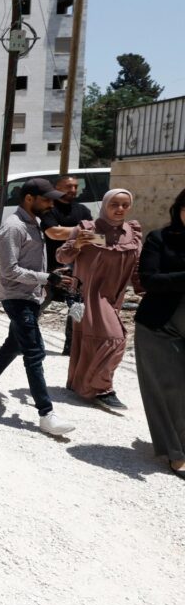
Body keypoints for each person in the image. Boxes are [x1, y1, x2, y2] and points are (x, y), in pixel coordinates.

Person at [0, 178, 77, 437]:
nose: (51, 204)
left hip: (31, 295)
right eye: (46, 199)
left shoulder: (34, 223)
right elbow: (9, 270)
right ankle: (46, 414)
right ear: (29, 199)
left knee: (15, 343)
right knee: (35, 351)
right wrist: (46, 278)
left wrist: (51, 275)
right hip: (17, 297)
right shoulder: (13, 227)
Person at [56, 189, 141, 411]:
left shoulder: (132, 233)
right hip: (89, 295)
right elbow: (61, 257)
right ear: (105, 205)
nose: (120, 209)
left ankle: (79, 383)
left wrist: (143, 291)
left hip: (114, 296)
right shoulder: (88, 230)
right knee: (115, 338)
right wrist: (76, 244)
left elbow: (137, 268)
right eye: (115, 204)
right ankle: (102, 388)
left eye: (125, 205)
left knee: (96, 337)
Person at [135, 189, 185, 480]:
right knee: (170, 390)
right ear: (179, 209)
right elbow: (149, 280)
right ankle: (176, 453)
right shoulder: (159, 239)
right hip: (159, 326)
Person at [42, 175, 93, 355]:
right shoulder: (49, 209)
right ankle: (17, 339)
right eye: (68, 186)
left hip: (77, 268)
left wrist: (81, 234)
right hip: (51, 267)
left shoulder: (82, 210)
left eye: (75, 186)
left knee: (76, 307)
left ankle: (71, 348)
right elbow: (53, 233)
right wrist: (80, 232)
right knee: (39, 303)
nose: (73, 190)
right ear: (57, 187)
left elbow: (96, 236)